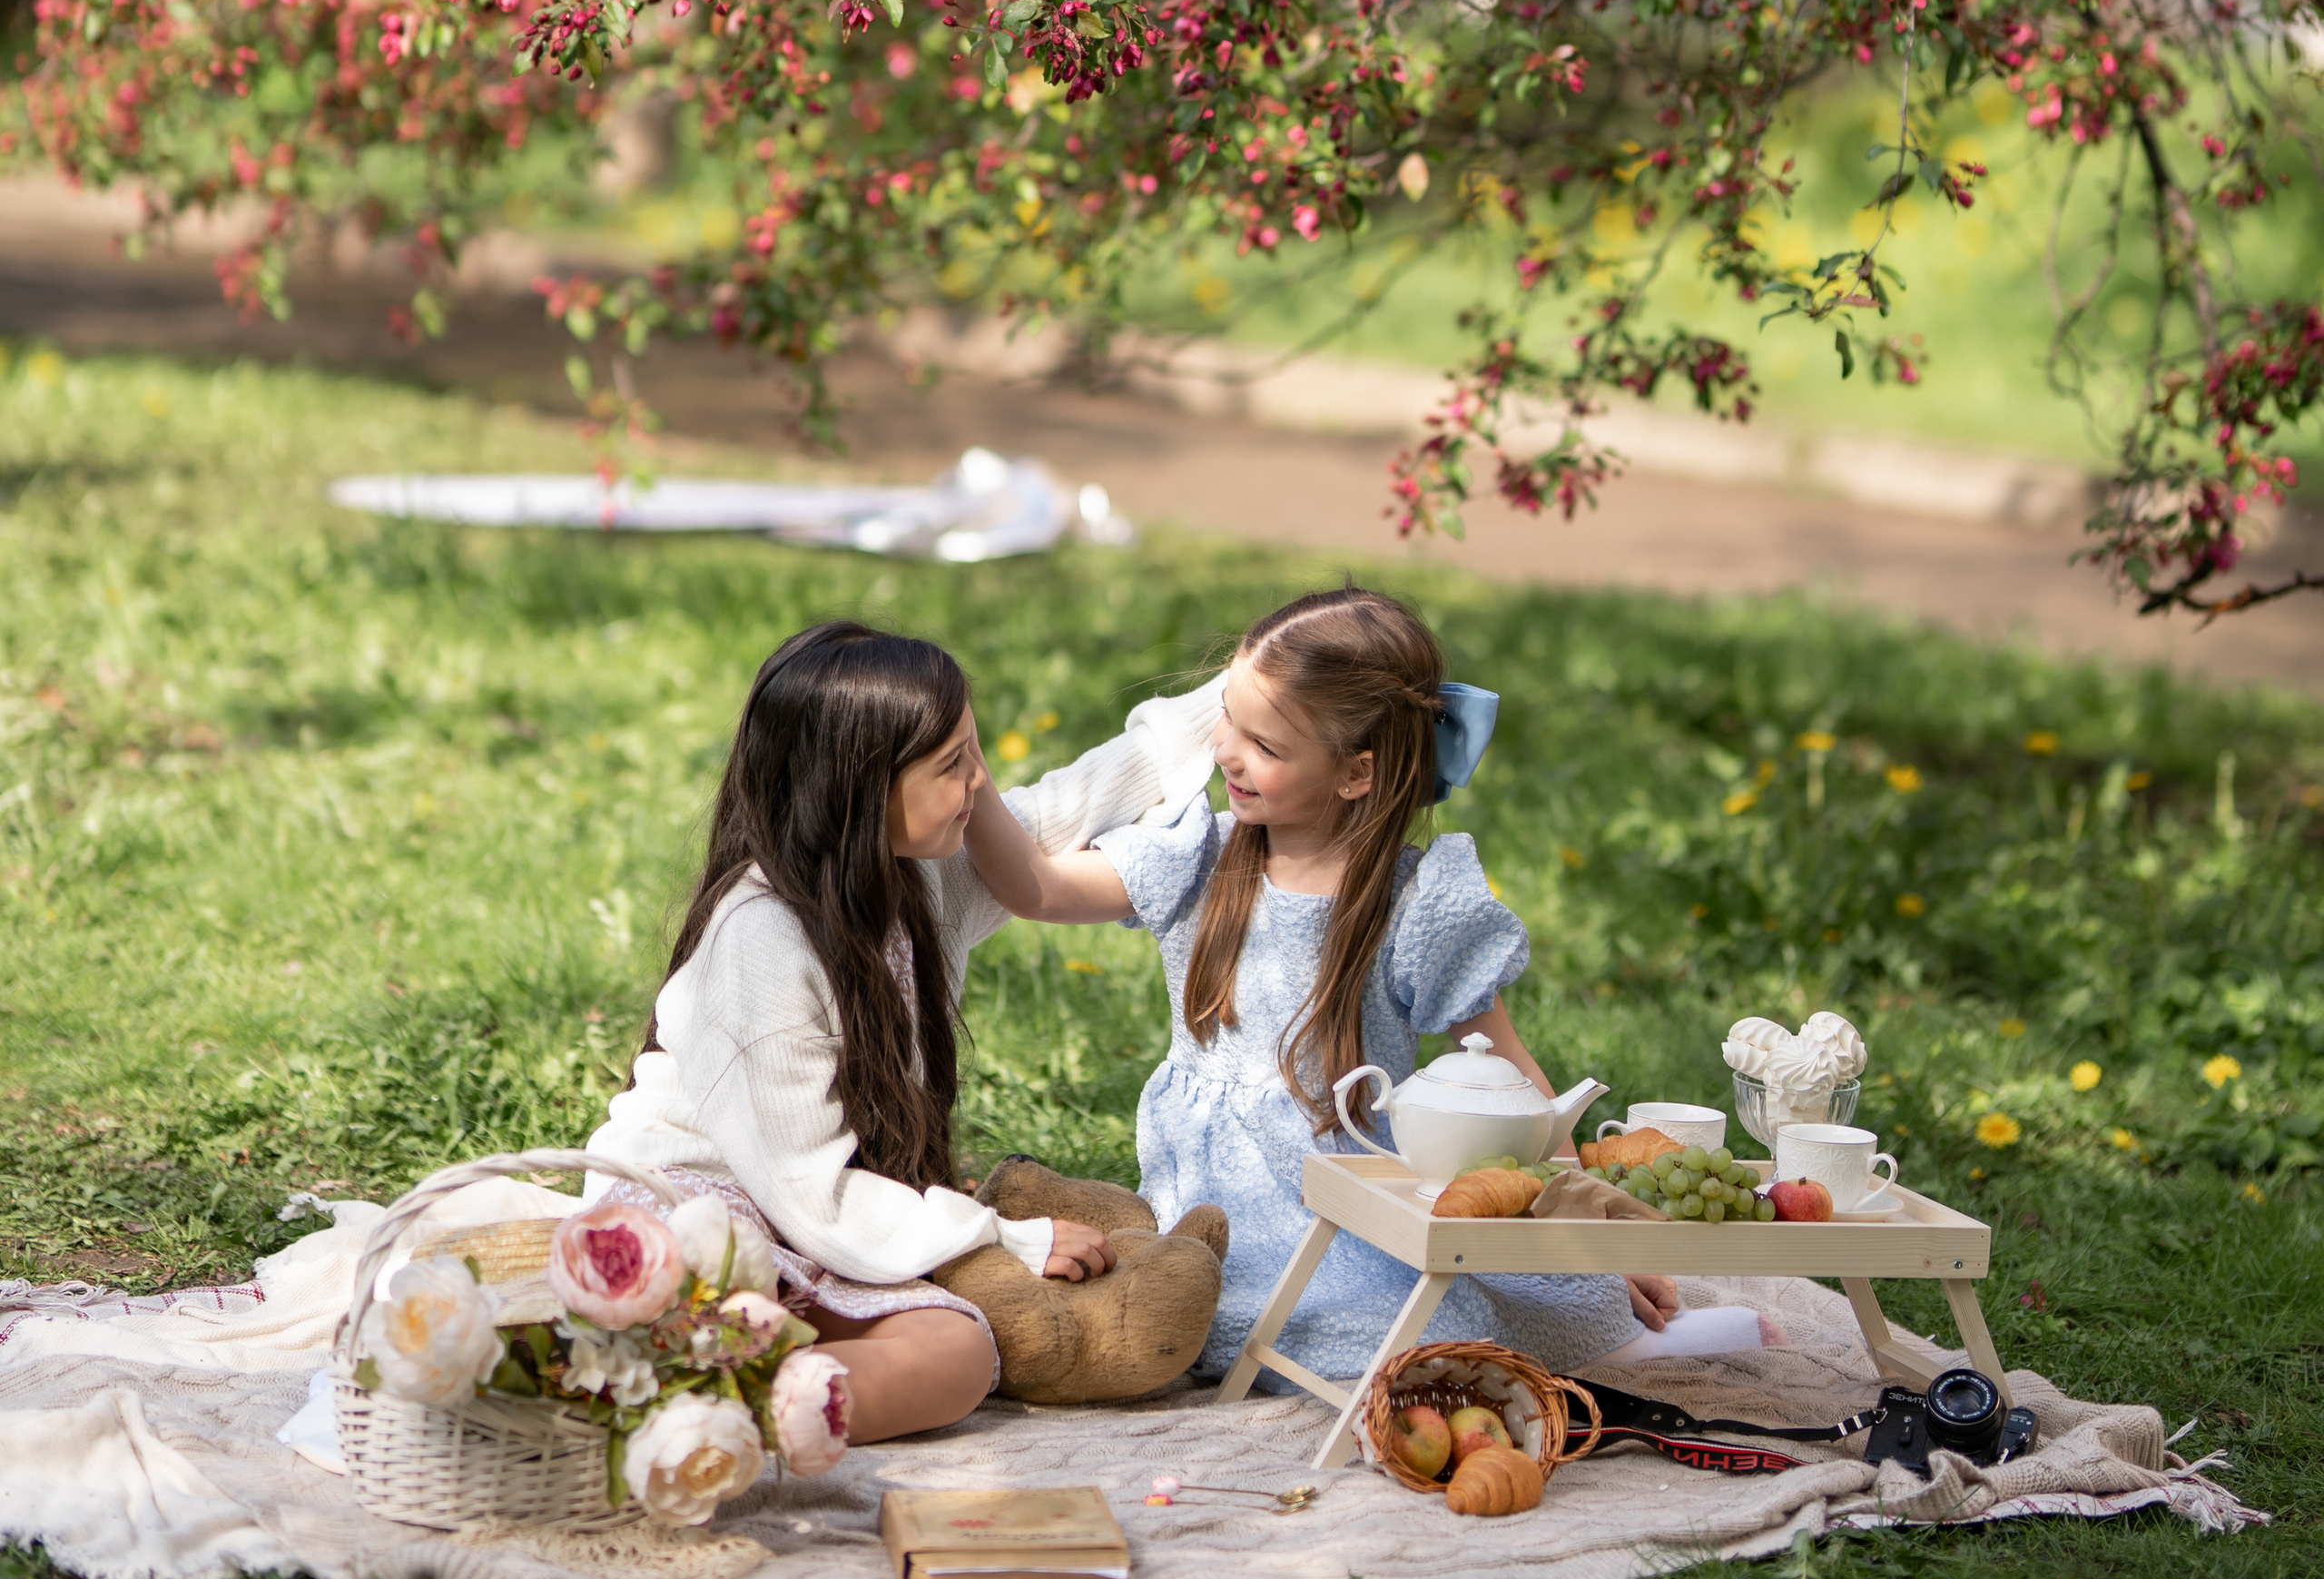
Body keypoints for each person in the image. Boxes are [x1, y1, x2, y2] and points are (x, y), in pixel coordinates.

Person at [967, 585, 1782, 1385]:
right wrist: (969, 783)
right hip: (1221, 1203)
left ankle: (1612, 1349)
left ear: (1358, 773)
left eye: (1267, 747)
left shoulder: (1414, 903)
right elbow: (1036, 888)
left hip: (1357, 1195)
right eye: (1230, 723)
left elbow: (1516, 1079)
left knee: (1454, 1312)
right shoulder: (1201, 857)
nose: (1227, 754)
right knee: (1227, 1309)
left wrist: (1592, 1237)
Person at [587, 617, 1218, 1438]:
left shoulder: (918, 876)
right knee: (718, 1281)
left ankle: (729, 1398)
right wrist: (1005, 1239)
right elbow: (811, 1193)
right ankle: (691, 1393)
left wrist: (1232, 702)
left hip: (823, 1222)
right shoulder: (760, 941)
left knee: (957, 1355)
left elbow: (1067, 806)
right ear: (859, 788)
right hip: (707, 1208)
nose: (981, 786)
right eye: (954, 765)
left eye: (974, 752)